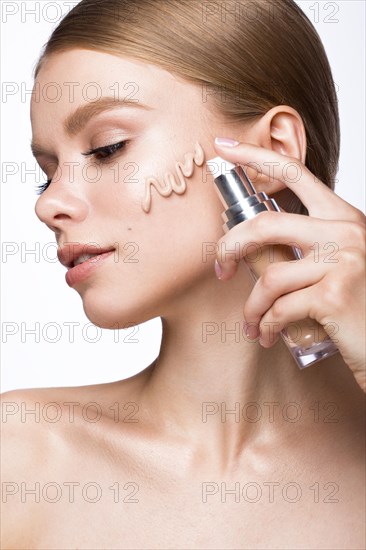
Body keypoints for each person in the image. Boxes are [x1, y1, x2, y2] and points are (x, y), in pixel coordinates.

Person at [1, 0, 365, 548]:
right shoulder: (21, 456)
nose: (49, 204)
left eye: (106, 148)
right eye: (45, 175)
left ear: (272, 150)